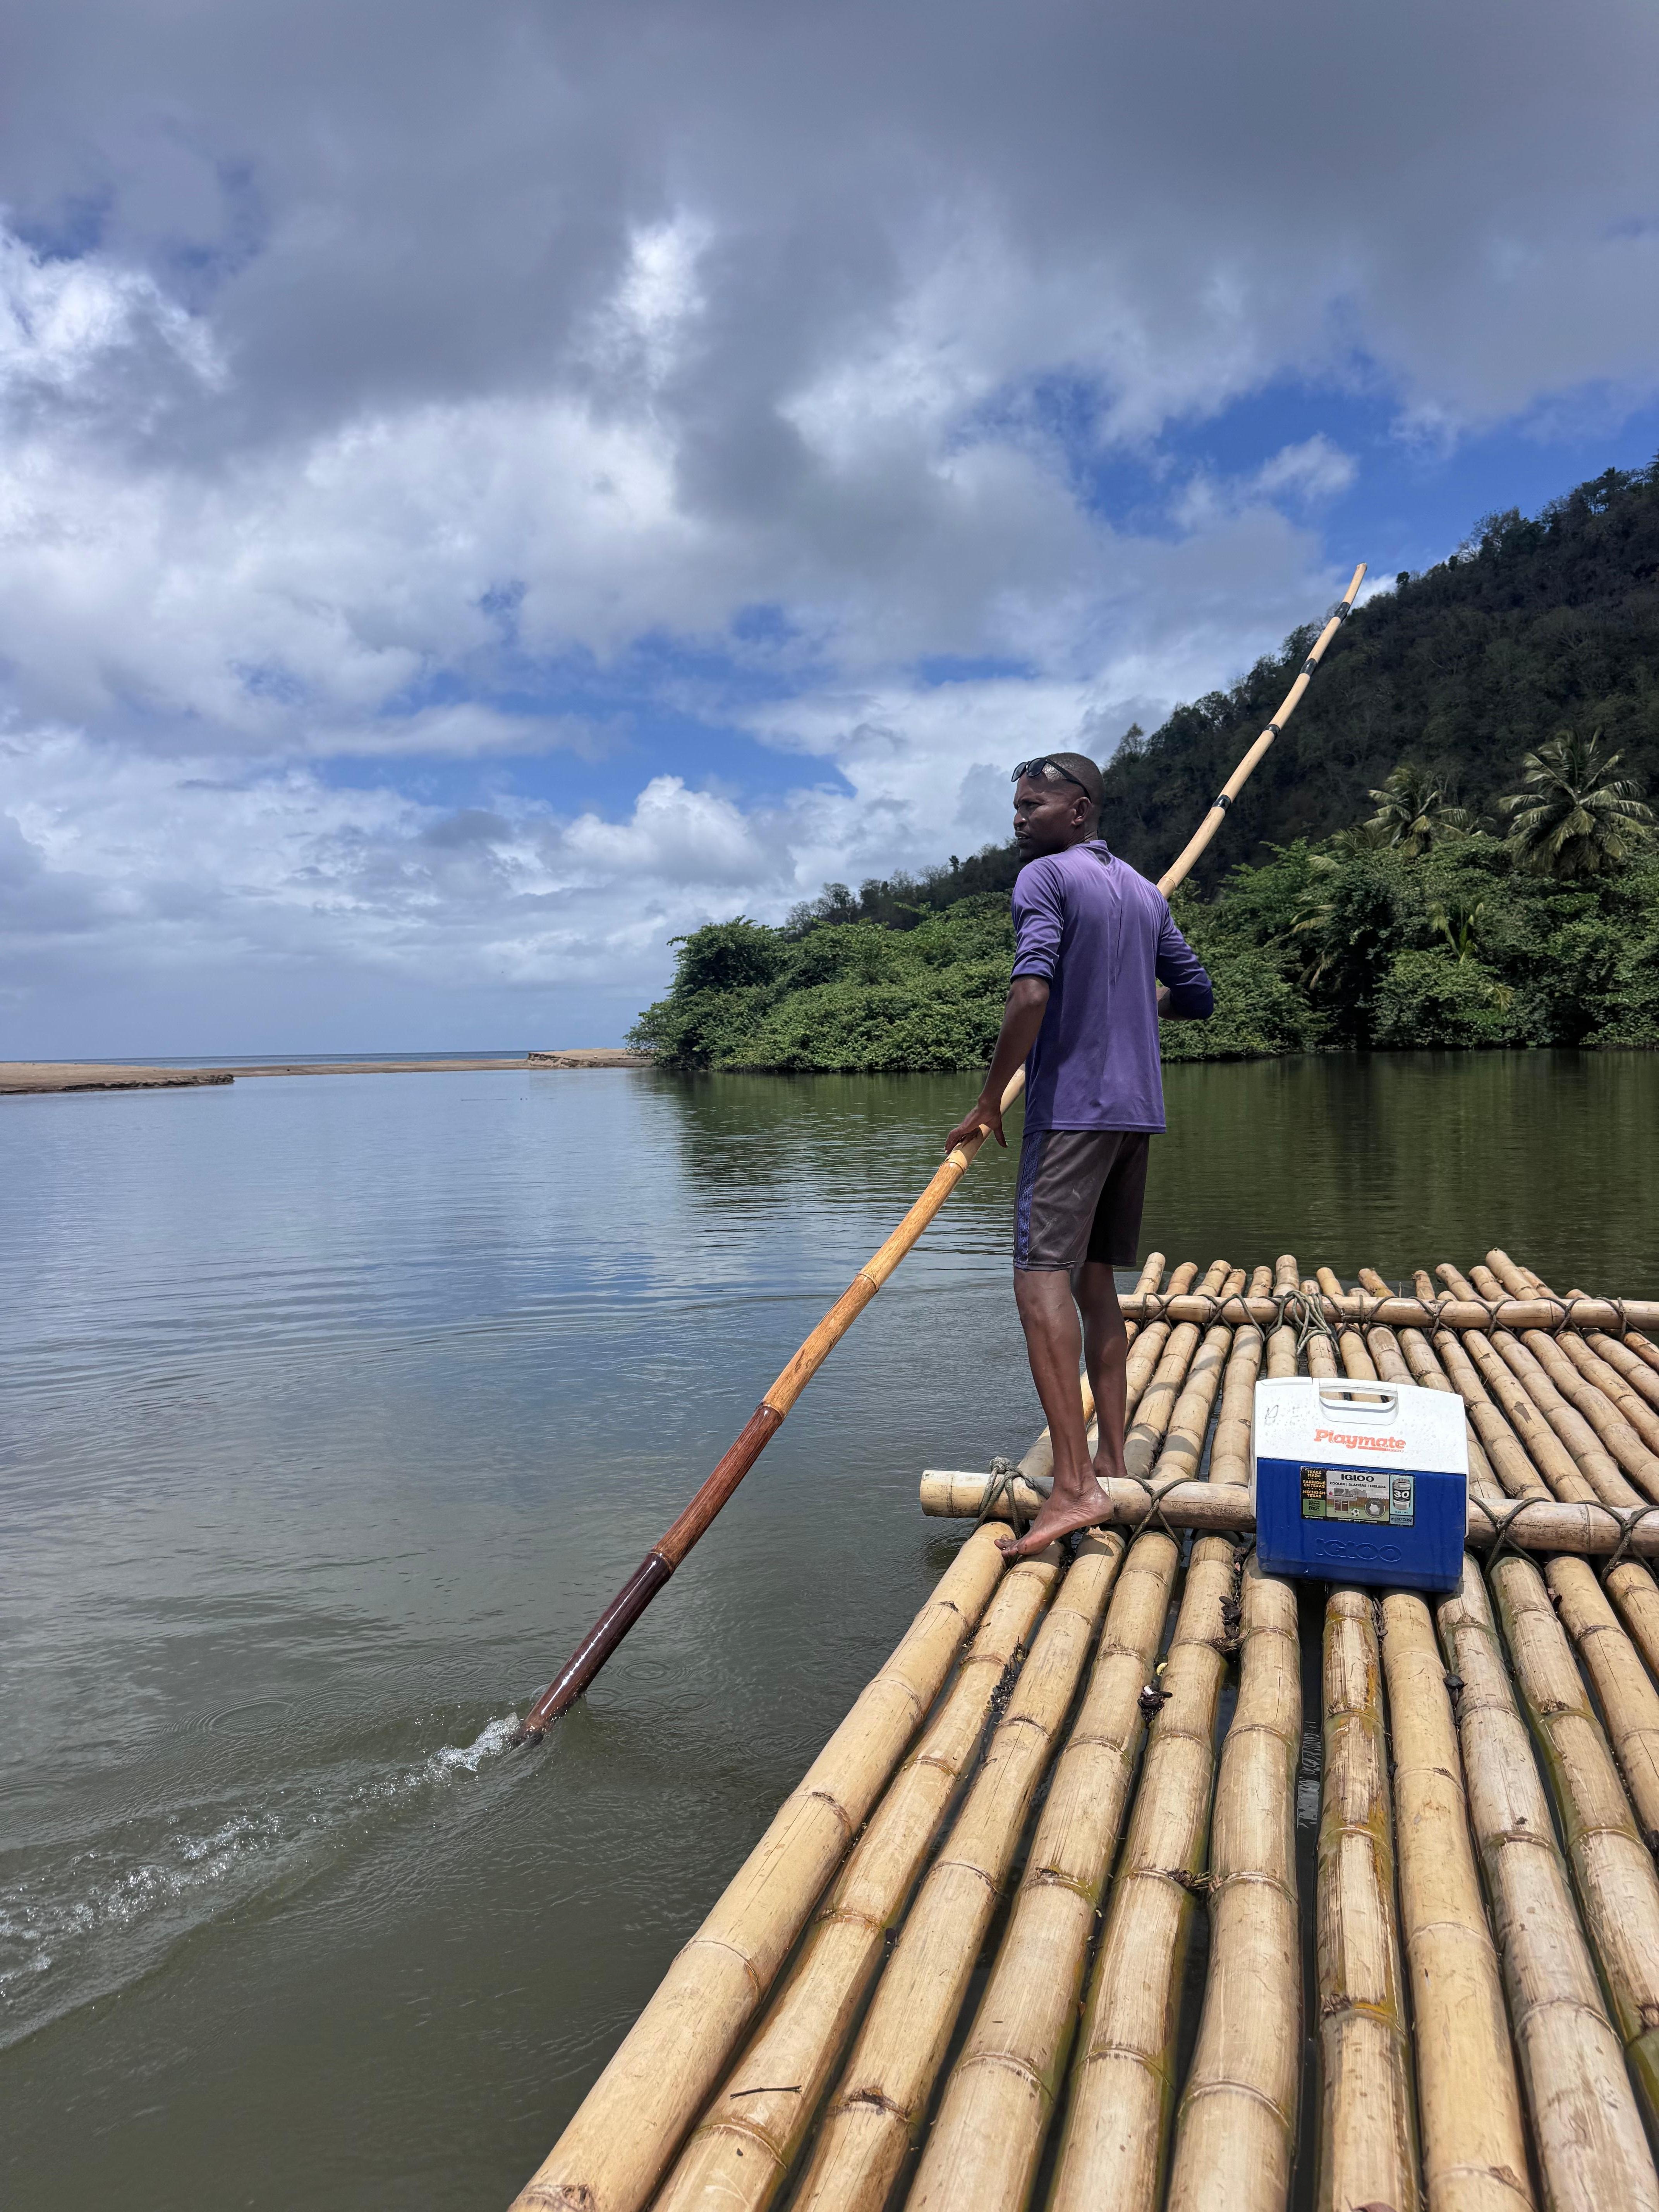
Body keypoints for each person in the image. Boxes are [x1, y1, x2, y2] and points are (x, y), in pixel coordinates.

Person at [944, 752, 1213, 1559]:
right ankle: (1109, 1457)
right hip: (1135, 1116)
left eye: (1033, 805)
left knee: (1038, 1283)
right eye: (1017, 806)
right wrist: (1138, 1004)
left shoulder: (1045, 878)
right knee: (1094, 1282)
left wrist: (988, 1101)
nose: (1019, 818)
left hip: (1072, 1113)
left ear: (1079, 810)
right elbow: (1197, 995)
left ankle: (1073, 1487)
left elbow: (1031, 991)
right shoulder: (1143, 893)